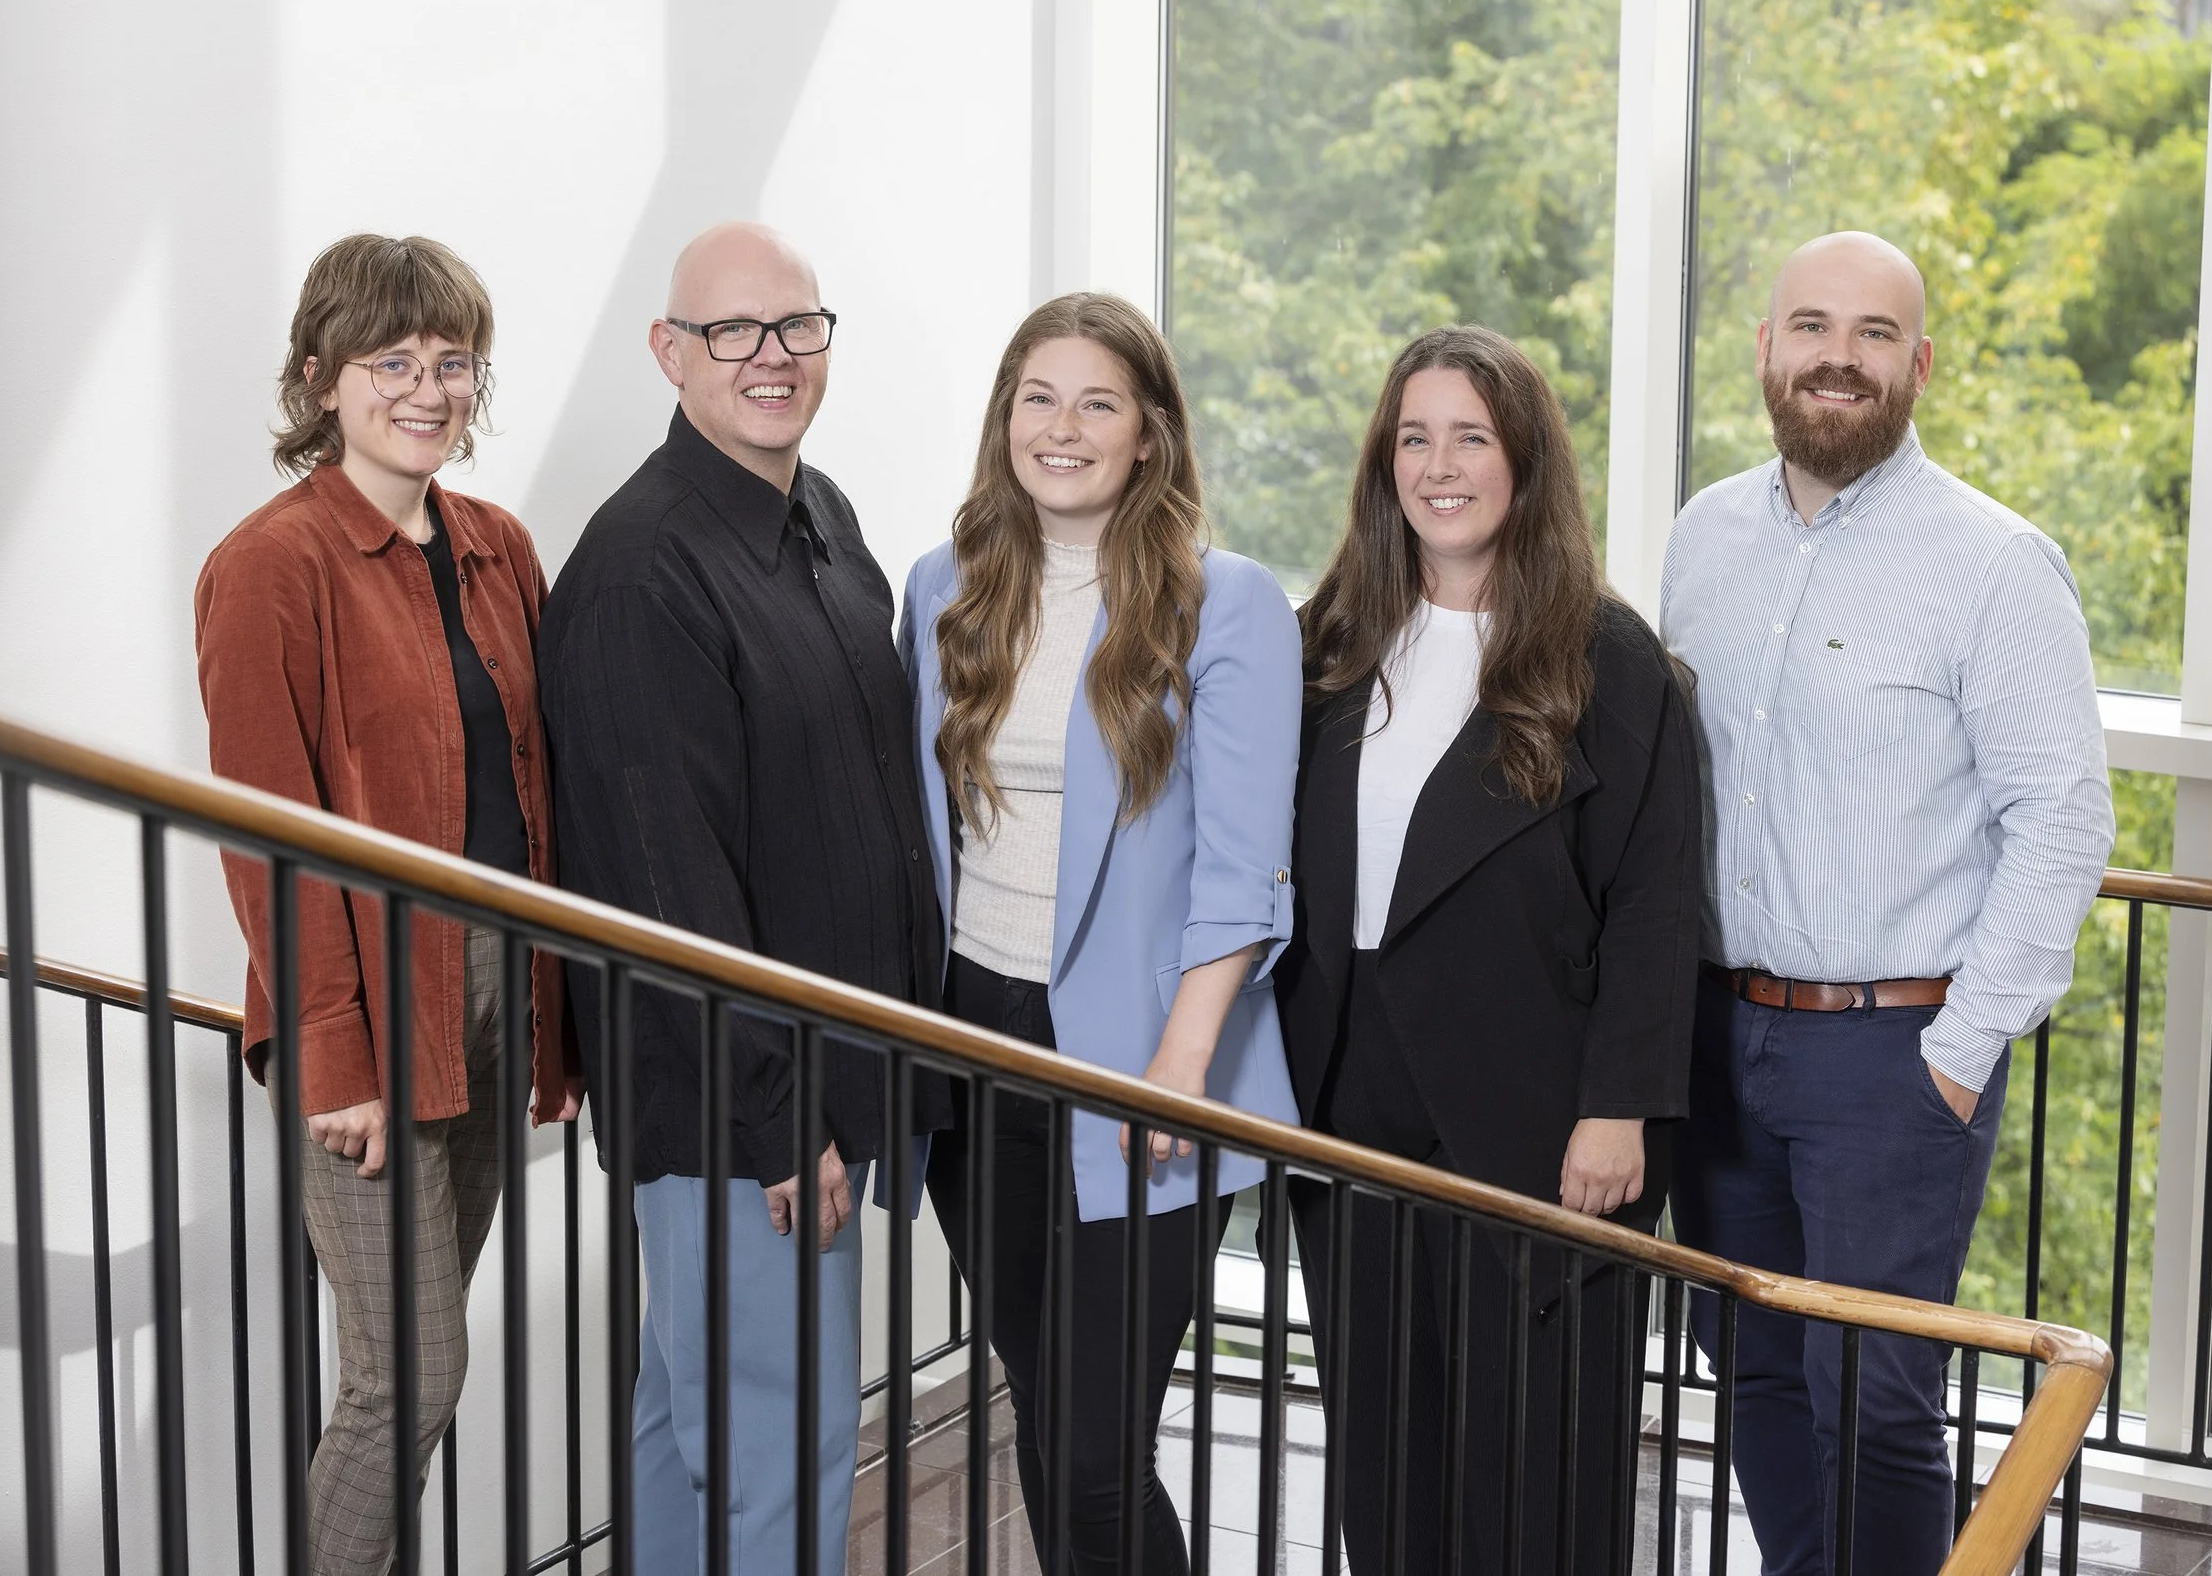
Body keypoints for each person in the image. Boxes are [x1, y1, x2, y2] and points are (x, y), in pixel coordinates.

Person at [1662, 231, 2115, 1576]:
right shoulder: (1702, 535)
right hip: (1716, 1035)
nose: (1837, 358)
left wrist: (1957, 1055)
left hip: (1893, 1052)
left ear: (1919, 365)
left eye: (1873, 335)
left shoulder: (1994, 561)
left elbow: (2062, 820)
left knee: (1877, 1398)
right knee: (1748, 1360)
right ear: (1766, 349)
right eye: (1811, 326)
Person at [537, 222, 943, 1576]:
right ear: (671, 351)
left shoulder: (820, 513)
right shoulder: (641, 571)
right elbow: (670, 885)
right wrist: (777, 1113)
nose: (772, 356)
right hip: (741, 1108)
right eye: (733, 331)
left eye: (797, 325)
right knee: (778, 1455)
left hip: (815, 1079)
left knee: (694, 1428)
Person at [1275, 324, 1700, 1576]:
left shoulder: (1607, 659)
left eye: (1470, 436)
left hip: (1533, 1112)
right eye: (1414, 438)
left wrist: (1618, 1107)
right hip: (1347, 1099)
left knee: (1536, 1475)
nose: (1439, 465)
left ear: (1525, 460)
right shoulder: (1330, 640)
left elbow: (1654, 902)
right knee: (1385, 1460)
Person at [195, 232, 583, 1576]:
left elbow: (543, 793)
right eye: (392, 361)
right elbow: (269, 834)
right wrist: (334, 1053)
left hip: (495, 992)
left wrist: (558, 1023)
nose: (428, 388)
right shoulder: (271, 563)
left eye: (452, 361)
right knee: (406, 1374)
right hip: (365, 1007)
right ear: (320, 375)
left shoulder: (497, 546)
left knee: (415, 1365)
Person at [901, 292, 1301, 1576]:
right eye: (1038, 398)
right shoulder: (942, 585)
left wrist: (1180, 1063)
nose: (1061, 428)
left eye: (1097, 402)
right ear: (1004, 418)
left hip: (1147, 1060)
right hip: (973, 1043)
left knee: (1092, 1450)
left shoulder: (1227, 603)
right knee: (1047, 1407)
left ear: (1148, 433)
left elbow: (1243, 866)